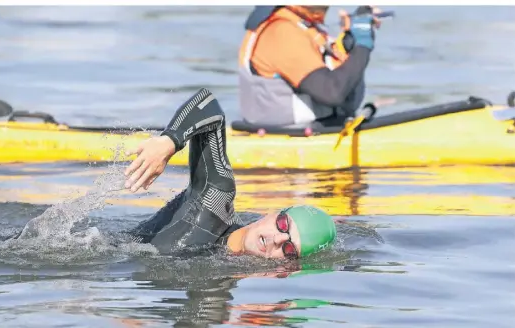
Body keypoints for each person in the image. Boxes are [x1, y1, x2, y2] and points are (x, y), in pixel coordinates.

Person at [123, 88, 336, 259]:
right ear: (273, 213)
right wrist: (170, 141)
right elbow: (208, 105)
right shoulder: (215, 201)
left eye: (289, 250)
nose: (278, 239)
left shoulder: (226, 284)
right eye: (283, 225)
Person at [237, 5, 381, 126]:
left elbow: (343, 82)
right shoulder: (282, 32)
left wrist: (352, 42)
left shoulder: (308, 28)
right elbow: (332, 92)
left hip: (323, 131)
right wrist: (362, 45)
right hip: (286, 143)